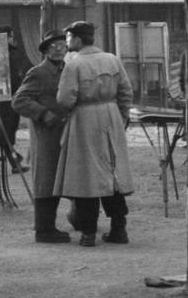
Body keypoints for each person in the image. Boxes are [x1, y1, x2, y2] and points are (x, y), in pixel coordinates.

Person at [52, 20, 133, 247]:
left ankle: (88, 233)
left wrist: (69, 113)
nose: (67, 41)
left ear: (78, 39)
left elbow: (64, 99)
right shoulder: (112, 59)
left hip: (84, 120)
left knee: (85, 177)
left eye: (69, 37)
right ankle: (119, 229)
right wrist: (121, 116)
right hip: (111, 116)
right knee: (114, 175)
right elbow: (126, 91)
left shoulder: (74, 65)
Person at [11, 31, 73, 241]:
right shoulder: (38, 72)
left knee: (70, 178)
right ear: (45, 50)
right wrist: (44, 114)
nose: (58, 49)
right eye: (52, 46)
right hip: (46, 135)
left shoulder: (69, 70)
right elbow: (19, 100)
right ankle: (44, 229)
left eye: (61, 45)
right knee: (46, 181)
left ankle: (80, 220)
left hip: (67, 132)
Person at [0, 25, 33, 170]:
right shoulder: (2, 56)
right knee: (5, 133)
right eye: (11, 36)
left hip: (10, 99)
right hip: (5, 102)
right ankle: (14, 162)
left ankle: (14, 160)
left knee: (5, 134)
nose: (13, 39)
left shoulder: (10, 54)